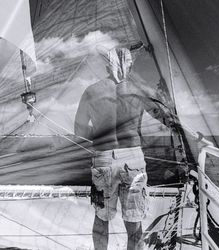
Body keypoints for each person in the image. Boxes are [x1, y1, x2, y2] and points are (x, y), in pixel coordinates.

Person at [74, 47, 180, 250]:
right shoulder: (138, 89)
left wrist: (99, 137)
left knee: (101, 218)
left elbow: (79, 130)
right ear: (129, 66)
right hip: (133, 160)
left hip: (103, 158)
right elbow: (167, 118)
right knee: (134, 222)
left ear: (107, 66)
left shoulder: (91, 91)